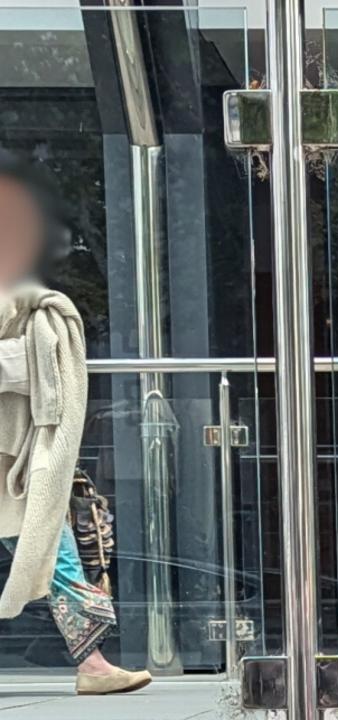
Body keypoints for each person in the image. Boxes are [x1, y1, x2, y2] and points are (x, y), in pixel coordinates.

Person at [0, 153, 151, 695]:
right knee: (54, 547)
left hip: (17, 456)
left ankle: (93, 666)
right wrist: (30, 357)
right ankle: (93, 668)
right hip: (11, 451)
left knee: (56, 547)